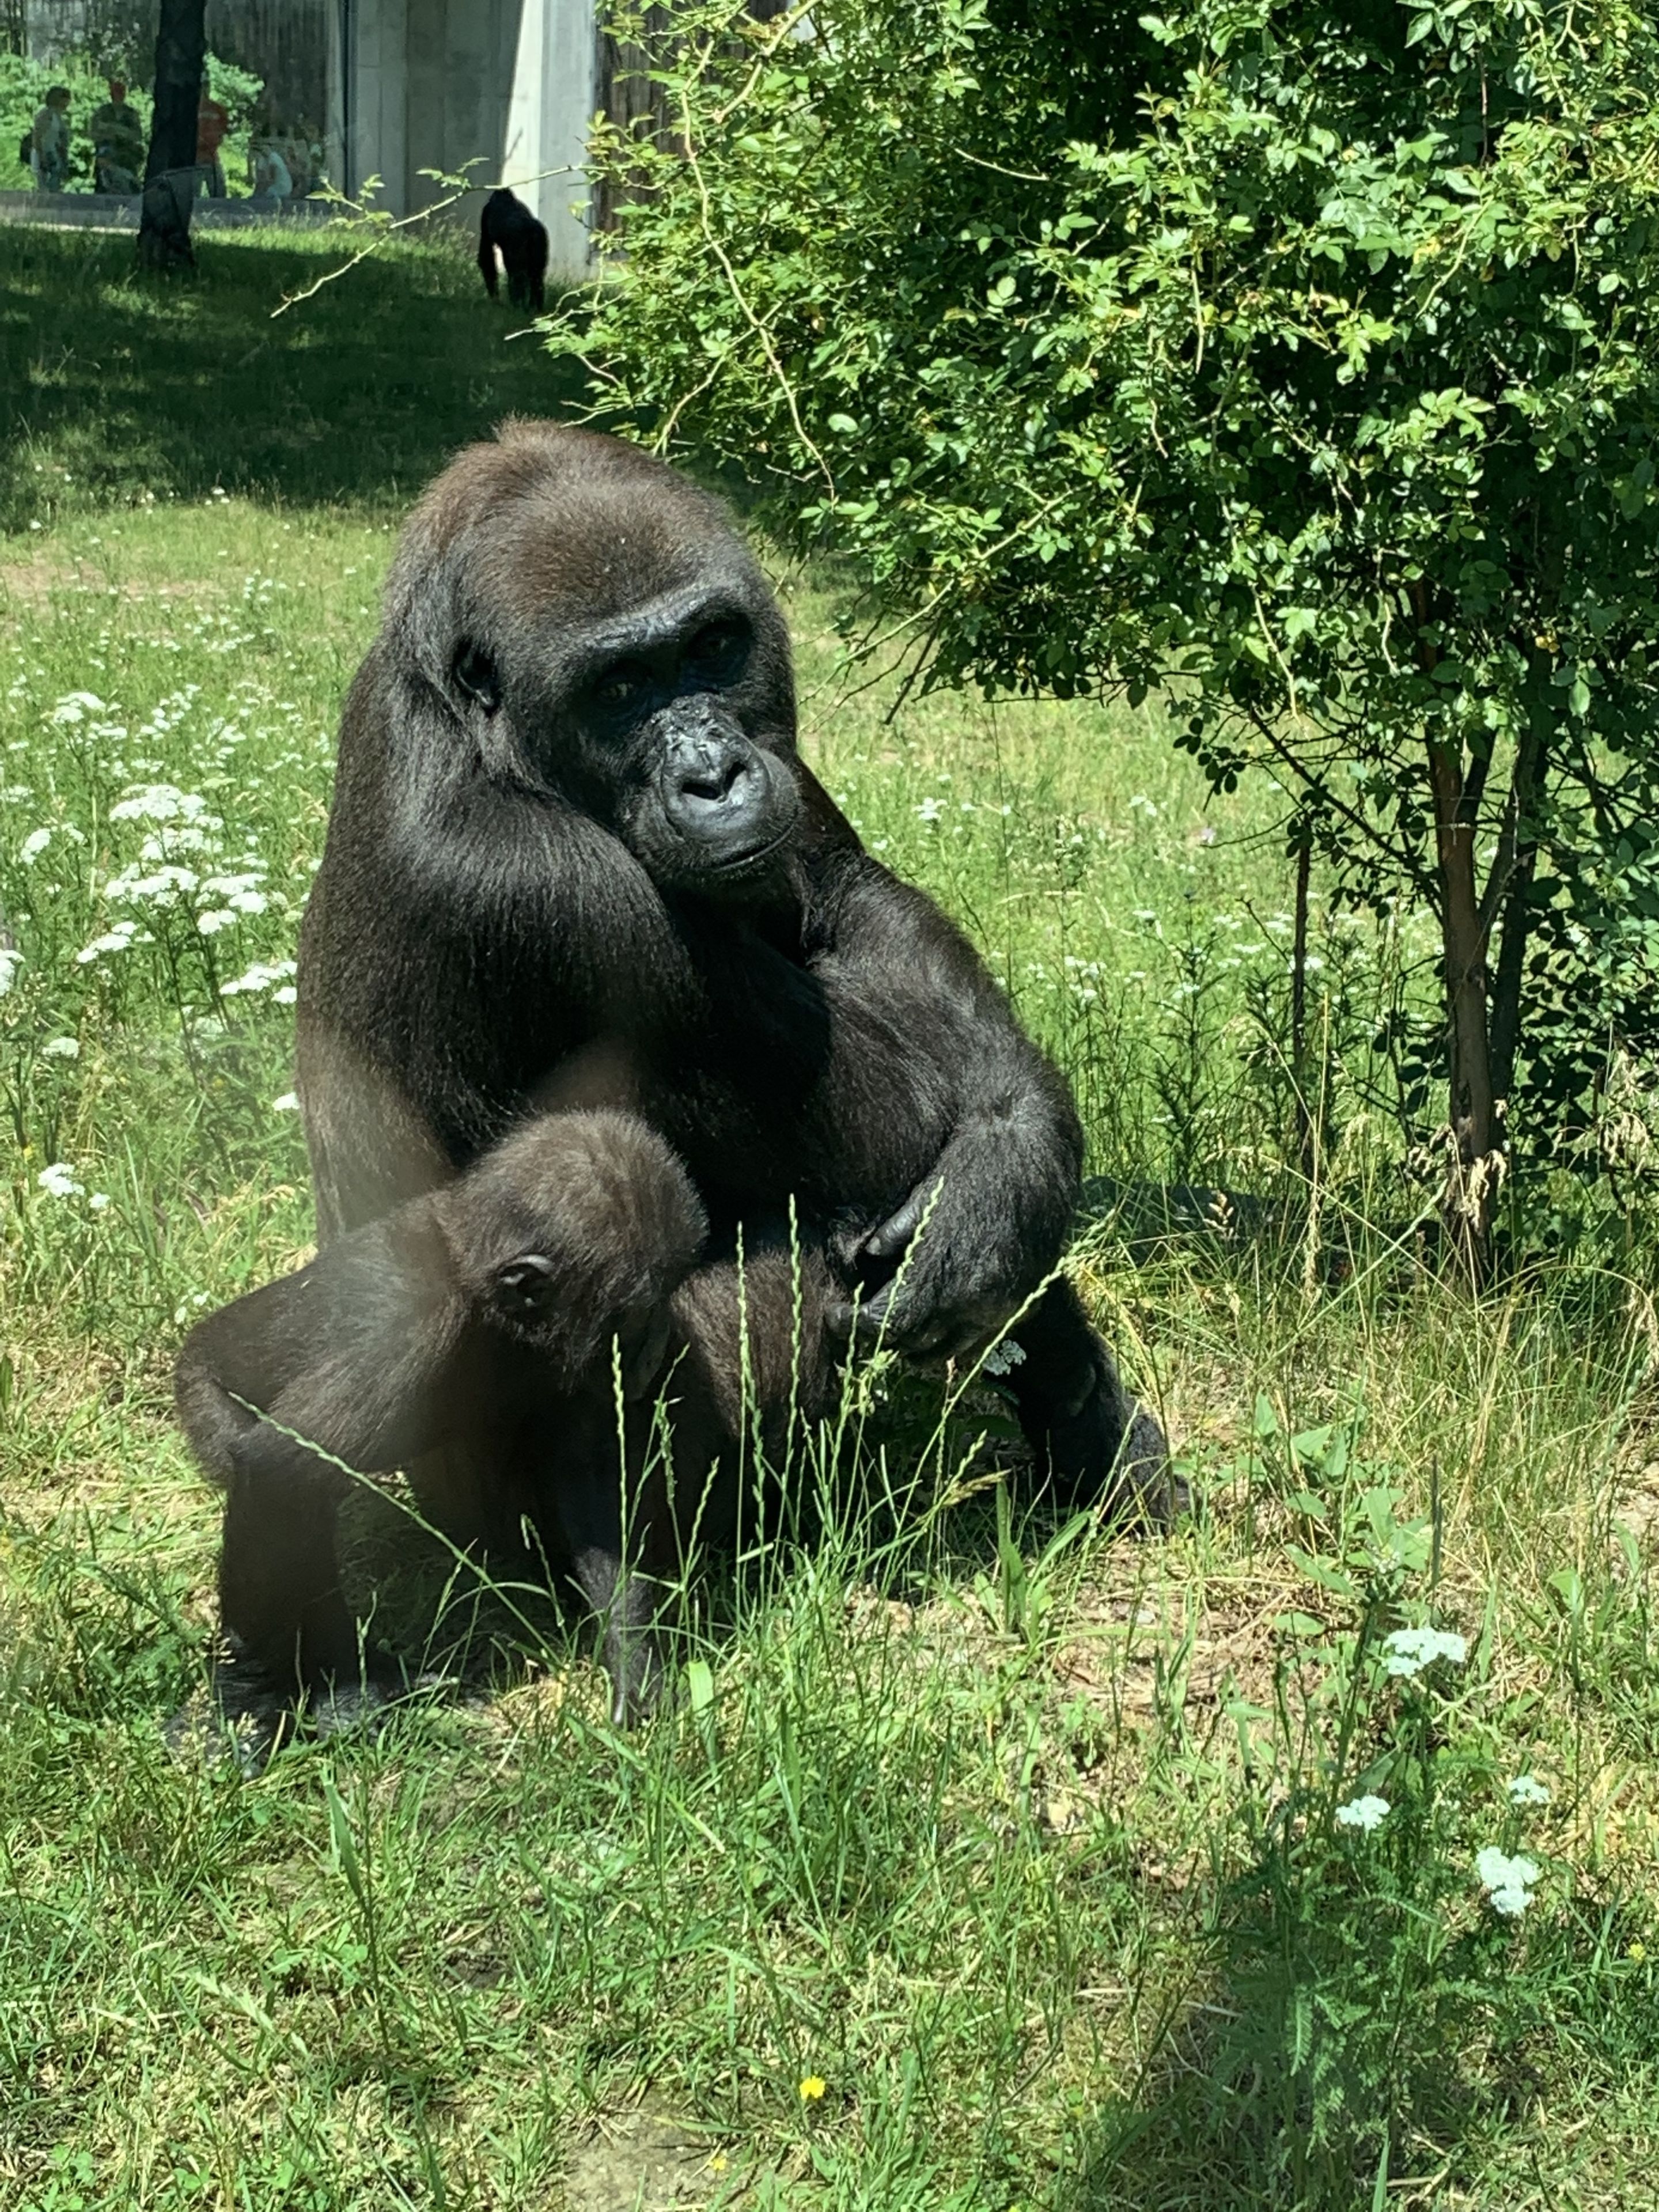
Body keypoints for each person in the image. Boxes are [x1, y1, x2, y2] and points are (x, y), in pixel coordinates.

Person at [89, 78, 143, 195]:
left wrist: (123, 133)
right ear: (111, 93)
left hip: (126, 159)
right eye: (116, 91)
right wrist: (109, 135)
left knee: (128, 190)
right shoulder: (102, 112)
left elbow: (138, 136)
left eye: (121, 92)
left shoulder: (131, 113)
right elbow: (94, 133)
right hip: (106, 157)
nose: (118, 95)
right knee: (104, 189)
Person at [29, 86, 71, 194]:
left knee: (55, 185)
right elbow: (37, 136)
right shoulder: (46, 114)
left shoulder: (59, 116)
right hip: (45, 154)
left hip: (54, 153)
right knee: (45, 187)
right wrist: (41, 156)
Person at [196, 88, 229, 197]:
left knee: (219, 190)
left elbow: (223, 130)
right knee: (193, 191)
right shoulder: (189, 109)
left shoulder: (217, 109)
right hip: (195, 158)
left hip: (212, 157)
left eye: (207, 85)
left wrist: (215, 141)